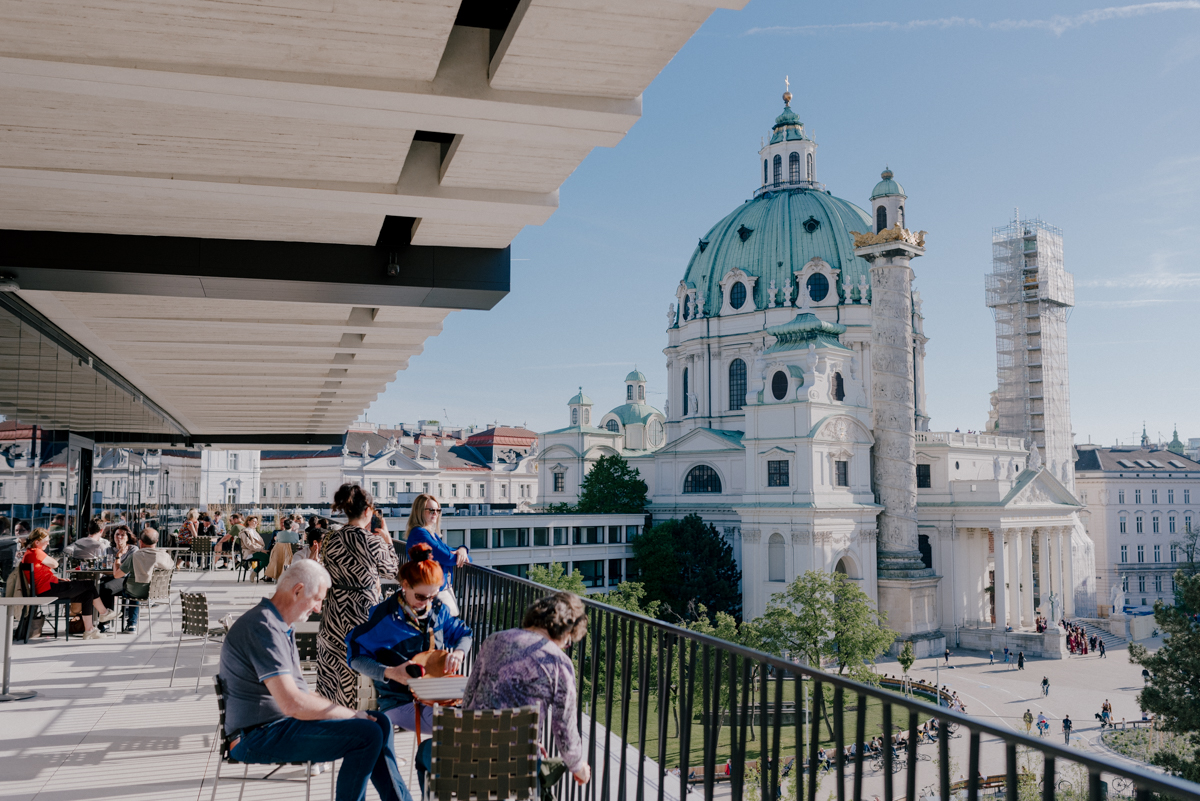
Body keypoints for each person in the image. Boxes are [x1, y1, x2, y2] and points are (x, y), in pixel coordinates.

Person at [217, 559, 412, 801]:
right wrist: (353, 715)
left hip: (276, 726)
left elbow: (303, 697)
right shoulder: (264, 627)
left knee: (380, 722)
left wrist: (349, 713)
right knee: (366, 734)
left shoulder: (280, 626)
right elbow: (293, 704)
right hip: (255, 736)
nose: (319, 608)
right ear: (298, 590)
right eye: (317, 599)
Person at [348, 545, 473, 790]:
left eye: (433, 596)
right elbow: (355, 657)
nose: (426, 603)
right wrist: (390, 672)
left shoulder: (437, 610)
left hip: (438, 694)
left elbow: (464, 633)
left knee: (488, 705)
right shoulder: (384, 618)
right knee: (466, 725)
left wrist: (459, 652)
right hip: (400, 702)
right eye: (421, 596)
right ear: (404, 585)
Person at [463, 591, 591, 798]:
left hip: (466, 759)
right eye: (568, 642)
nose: (565, 647)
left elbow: (468, 698)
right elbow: (564, 728)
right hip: (516, 764)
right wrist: (578, 767)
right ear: (566, 632)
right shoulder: (558, 662)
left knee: (424, 755)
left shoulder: (493, 640)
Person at [317, 484, 399, 708]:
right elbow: (393, 571)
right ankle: (356, 719)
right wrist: (388, 541)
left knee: (333, 668)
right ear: (368, 511)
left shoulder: (331, 538)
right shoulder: (371, 541)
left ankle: (329, 716)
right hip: (362, 612)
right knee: (358, 669)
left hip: (334, 610)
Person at [21, 528, 119, 639]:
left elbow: (42, 575)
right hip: (48, 590)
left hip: (48, 588)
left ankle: (89, 631)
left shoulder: (30, 553)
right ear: (37, 542)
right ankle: (104, 613)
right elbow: (55, 564)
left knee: (88, 595)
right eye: (46, 541)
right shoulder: (36, 552)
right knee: (89, 584)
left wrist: (59, 580)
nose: (48, 543)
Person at [403, 494, 469, 616]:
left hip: (439, 591)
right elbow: (448, 557)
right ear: (419, 511)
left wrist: (463, 549)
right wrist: (460, 553)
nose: (435, 513)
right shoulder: (420, 534)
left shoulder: (431, 534)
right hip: (431, 593)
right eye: (431, 510)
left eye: (438, 510)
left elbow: (454, 554)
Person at [111, 528, 175, 632]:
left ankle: (124, 623)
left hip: (136, 592)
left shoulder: (135, 556)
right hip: (158, 592)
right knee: (137, 583)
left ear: (140, 542)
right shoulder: (166, 556)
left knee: (131, 585)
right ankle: (132, 625)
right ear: (156, 541)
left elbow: (117, 575)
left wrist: (118, 557)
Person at [265, 518, 302, 582]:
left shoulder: (279, 534)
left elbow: (276, 542)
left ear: (284, 526)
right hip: (291, 555)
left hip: (279, 556)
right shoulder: (296, 535)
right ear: (292, 527)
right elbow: (297, 543)